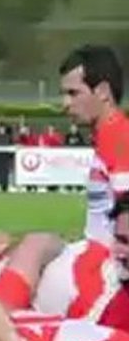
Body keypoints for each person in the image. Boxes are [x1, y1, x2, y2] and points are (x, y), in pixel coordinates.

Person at [59, 45, 129, 242]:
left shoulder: (121, 140)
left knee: (34, 246)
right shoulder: (108, 138)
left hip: (108, 266)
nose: (65, 104)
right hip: (99, 259)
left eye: (73, 93)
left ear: (103, 92)